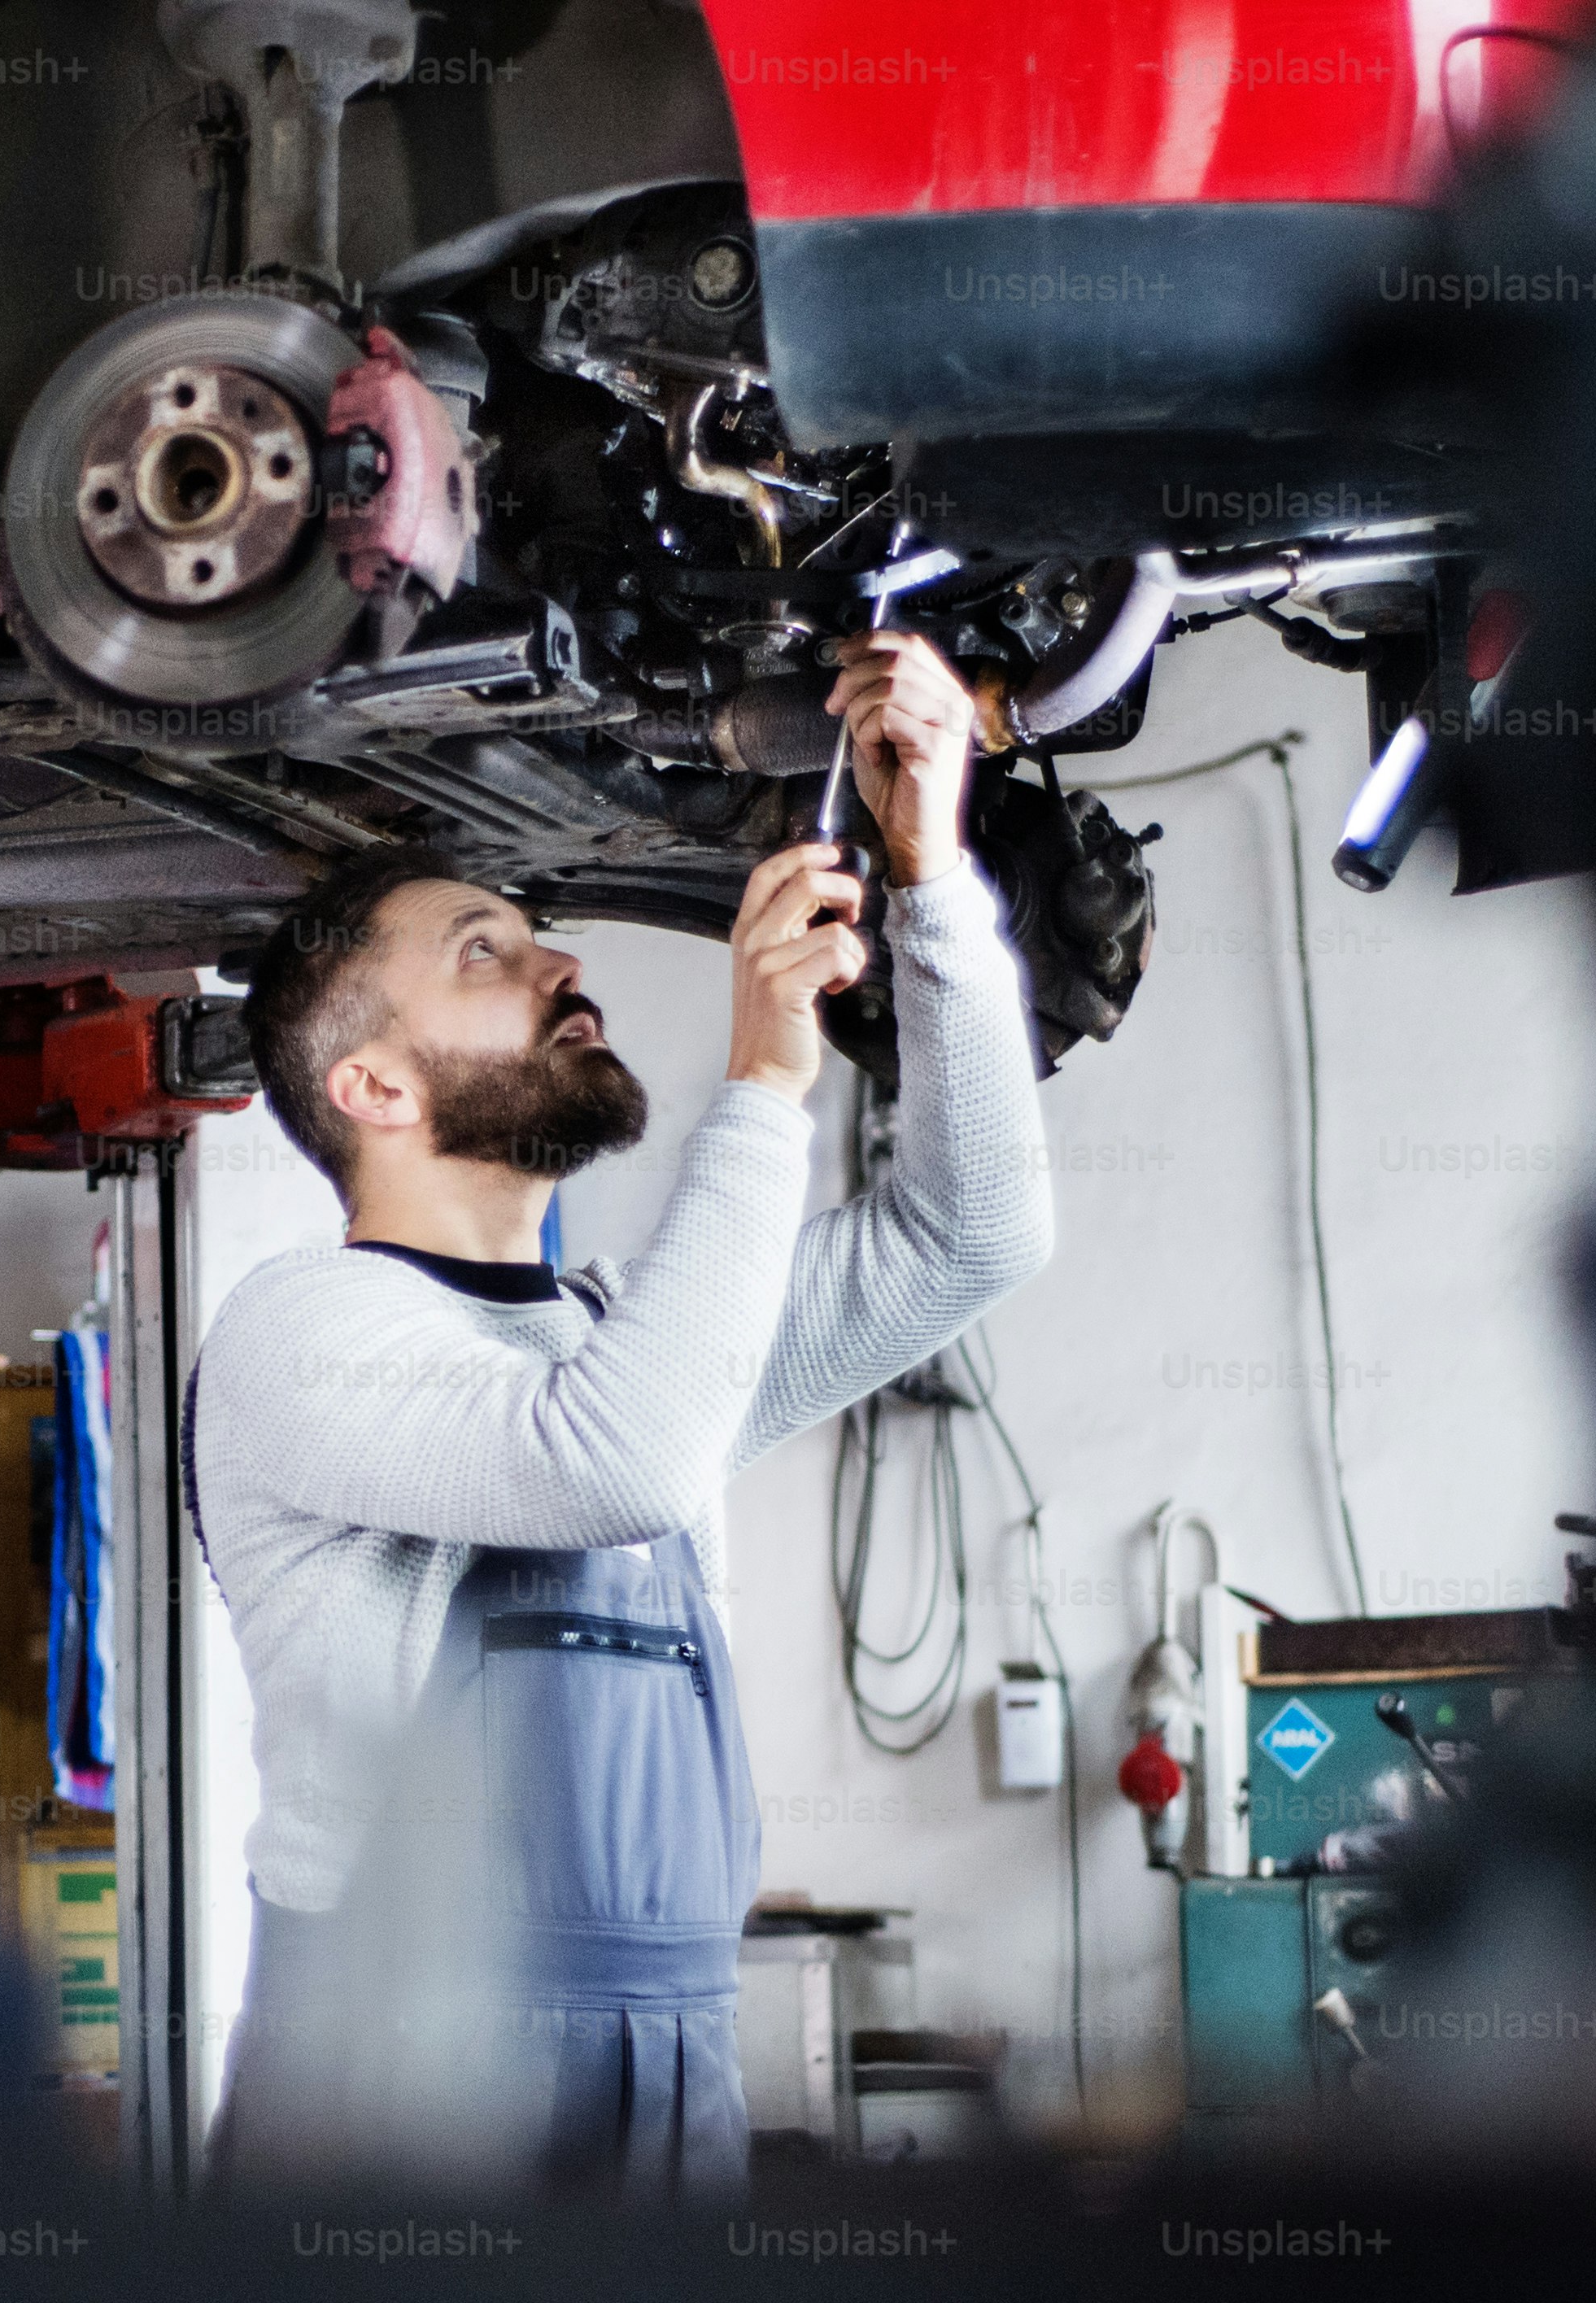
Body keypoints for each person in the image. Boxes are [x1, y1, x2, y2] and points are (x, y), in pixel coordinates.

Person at [191, 632, 1051, 2196]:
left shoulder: (625, 1341)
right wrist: (764, 1089)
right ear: (374, 1087)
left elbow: (969, 1233)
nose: (560, 966)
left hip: (674, 2060)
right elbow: (622, 1461)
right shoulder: (299, 1333)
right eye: (482, 954)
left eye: (537, 938)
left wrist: (931, 884)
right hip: (402, 2081)